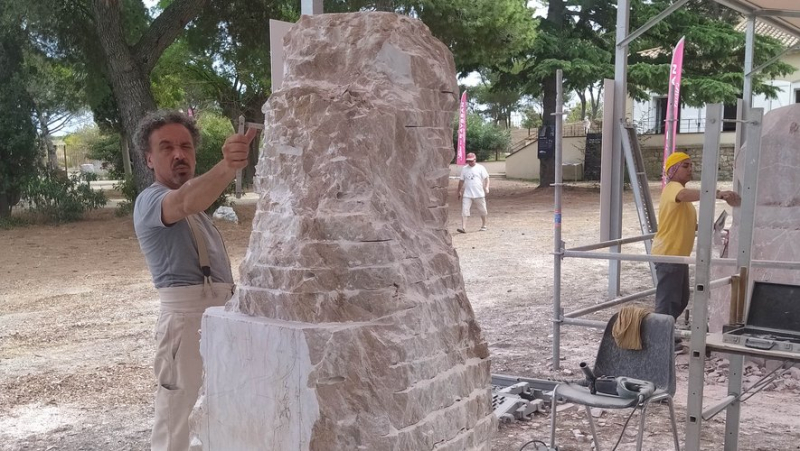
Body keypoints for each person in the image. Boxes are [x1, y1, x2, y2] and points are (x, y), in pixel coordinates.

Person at [132, 110, 256, 451]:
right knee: (178, 422)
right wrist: (228, 167)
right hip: (185, 323)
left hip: (219, 317)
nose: (178, 154)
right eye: (166, 147)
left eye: (186, 146)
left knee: (219, 412)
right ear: (149, 159)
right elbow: (185, 199)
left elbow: (194, 199)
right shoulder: (149, 201)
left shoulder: (200, 210)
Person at [651, 151, 740, 321]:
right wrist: (717, 193)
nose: (690, 169)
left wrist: (714, 228)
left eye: (691, 165)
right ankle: (660, 340)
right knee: (668, 302)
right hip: (669, 254)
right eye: (685, 166)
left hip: (678, 255)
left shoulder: (680, 192)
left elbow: (687, 224)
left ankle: (667, 335)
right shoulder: (673, 188)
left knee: (680, 299)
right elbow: (684, 195)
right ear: (673, 170)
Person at [457, 152, 490, 233]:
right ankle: (463, 227)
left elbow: (487, 178)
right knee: (465, 210)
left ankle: (484, 225)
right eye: (468, 161)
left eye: (471, 161)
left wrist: (486, 187)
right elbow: (461, 181)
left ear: (475, 160)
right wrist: (459, 191)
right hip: (467, 194)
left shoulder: (480, 168)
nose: (470, 162)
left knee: (482, 210)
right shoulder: (464, 169)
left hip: (479, 193)